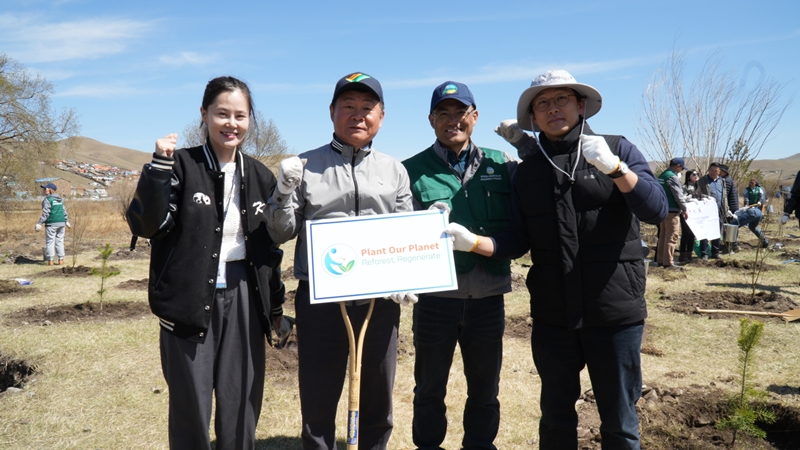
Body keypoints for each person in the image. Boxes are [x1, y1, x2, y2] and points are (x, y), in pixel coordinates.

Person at [453, 69, 667, 449]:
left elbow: (657, 208)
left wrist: (616, 170)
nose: (553, 109)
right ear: (533, 118)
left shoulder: (617, 147)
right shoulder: (528, 172)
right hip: (554, 316)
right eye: (542, 104)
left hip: (613, 312)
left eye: (561, 99)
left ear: (581, 106)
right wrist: (473, 244)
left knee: (619, 421)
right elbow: (517, 239)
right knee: (555, 419)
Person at [126, 76, 286, 450]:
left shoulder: (261, 175)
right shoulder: (180, 165)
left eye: (240, 115)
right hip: (188, 301)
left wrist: (275, 306)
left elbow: (268, 250)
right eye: (222, 114)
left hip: (244, 299)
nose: (231, 123)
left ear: (250, 120)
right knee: (191, 406)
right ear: (204, 115)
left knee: (241, 401)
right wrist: (158, 169)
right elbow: (148, 225)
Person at [266, 72, 415, 450]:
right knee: (318, 395)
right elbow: (279, 232)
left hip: (380, 301)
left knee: (378, 395)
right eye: (348, 107)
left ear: (382, 116)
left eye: (368, 108)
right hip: (320, 298)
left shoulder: (394, 170)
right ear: (332, 112)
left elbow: (405, 231)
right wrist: (283, 190)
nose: (358, 115)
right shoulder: (304, 166)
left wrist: (410, 276)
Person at [402, 81, 517, 450]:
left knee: (485, 387)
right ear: (431, 120)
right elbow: (397, 236)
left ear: (475, 117)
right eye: (444, 114)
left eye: (461, 113)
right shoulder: (411, 170)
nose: (453, 121)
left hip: (488, 298)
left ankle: (480, 446)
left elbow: (524, 222)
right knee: (429, 387)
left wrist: (527, 148)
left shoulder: (503, 165)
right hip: (436, 300)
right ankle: (429, 445)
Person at [655, 158, 688, 268]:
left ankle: (660, 260)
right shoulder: (672, 177)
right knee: (672, 236)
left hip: (662, 209)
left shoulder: (662, 176)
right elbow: (678, 195)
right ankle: (668, 262)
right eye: (681, 168)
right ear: (678, 166)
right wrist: (684, 208)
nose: (681, 170)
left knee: (663, 236)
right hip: (672, 210)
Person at [697, 162, 732, 260]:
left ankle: (715, 252)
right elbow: (698, 194)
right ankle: (704, 253)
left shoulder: (722, 181)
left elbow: (724, 195)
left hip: (719, 210)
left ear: (719, 172)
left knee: (717, 231)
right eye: (711, 170)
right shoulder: (703, 180)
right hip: (707, 210)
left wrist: (726, 208)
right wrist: (706, 198)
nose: (713, 172)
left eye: (715, 171)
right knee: (705, 232)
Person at [35, 182, 70, 265]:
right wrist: (66, 221)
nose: (44, 190)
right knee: (60, 241)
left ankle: (51, 260)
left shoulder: (47, 199)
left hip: (51, 223)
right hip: (61, 223)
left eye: (45, 189)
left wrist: (39, 223)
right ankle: (61, 259)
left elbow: (46, 213)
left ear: (50, 190)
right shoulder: (60, 199)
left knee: (50, 241)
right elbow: (64, 211)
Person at [679, 169, 701, 263]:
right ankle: (682, 255)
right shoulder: (684, 187)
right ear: (689, 176)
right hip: (685, 212)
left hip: (695, 213)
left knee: (692, 234)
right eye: (694, 174)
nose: (696, 176)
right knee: (686, 234)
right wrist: (691, 198)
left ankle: (689, 254)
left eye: (697, 174)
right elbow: (682, 198)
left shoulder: (698, 186)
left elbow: (700, 196)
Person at [718, 164, 740, 253]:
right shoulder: (727, 179)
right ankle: (732, 245)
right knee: (729, 227)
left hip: (730, 207)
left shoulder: (726, 181)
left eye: (720, 171)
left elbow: (724, 194)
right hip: (731, 206)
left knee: (729, 227)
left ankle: (731, 246)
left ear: (724, 172)